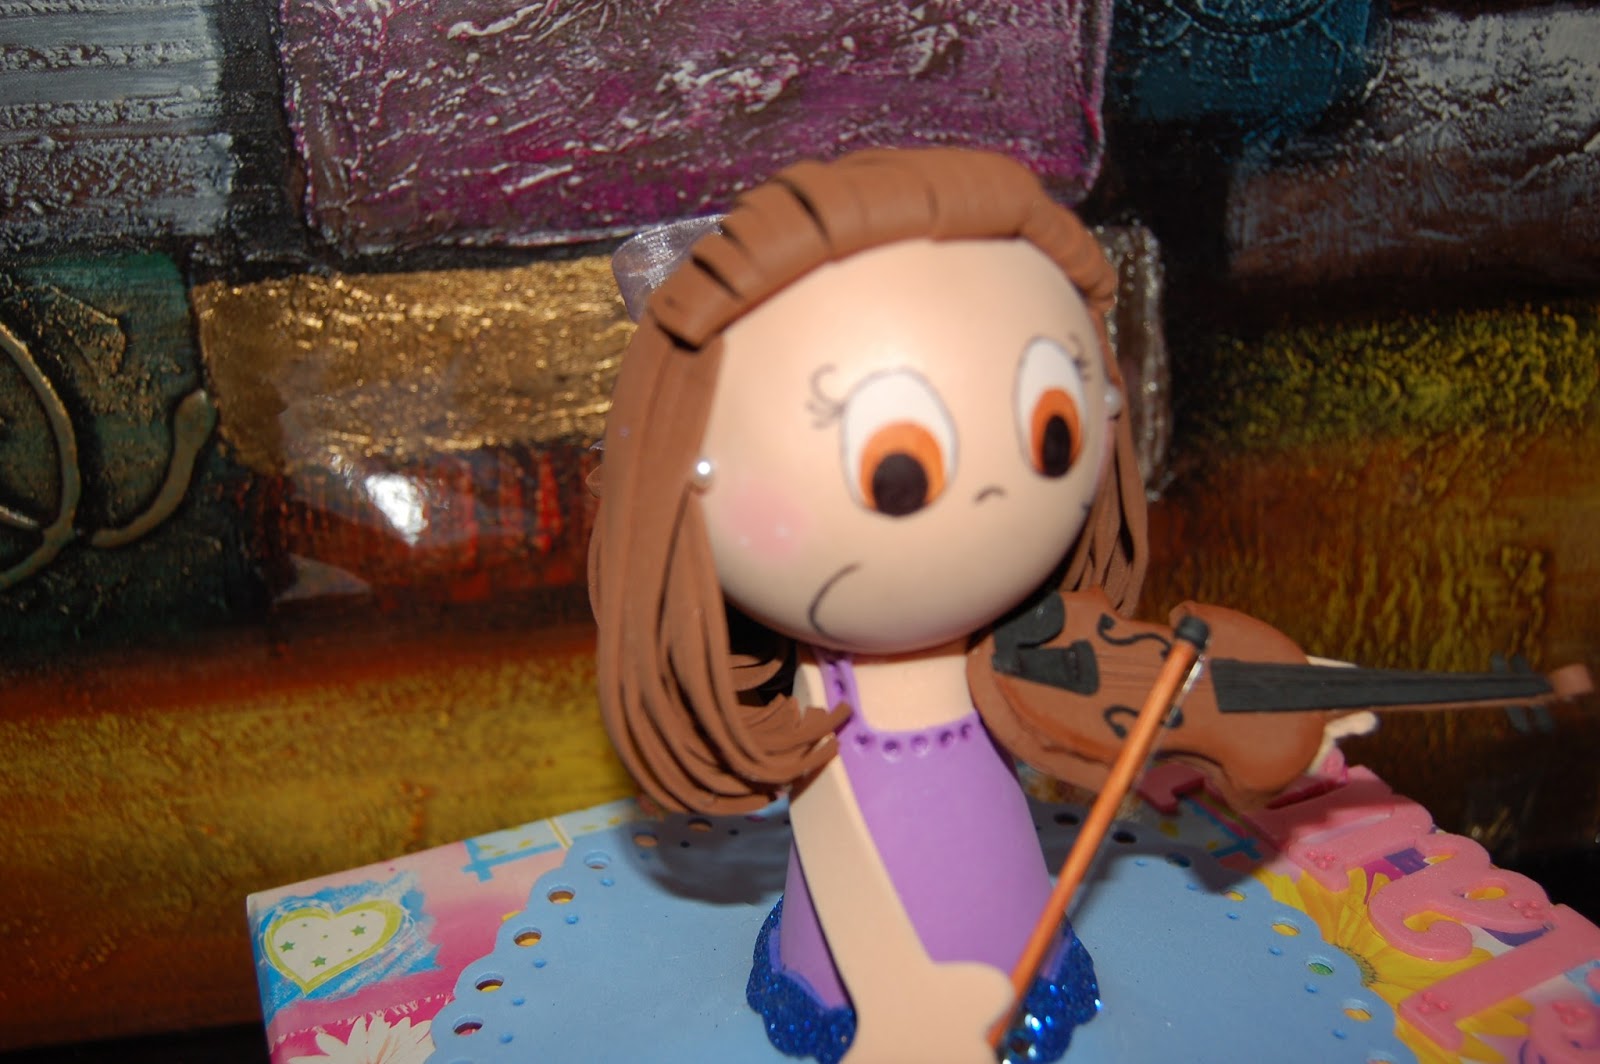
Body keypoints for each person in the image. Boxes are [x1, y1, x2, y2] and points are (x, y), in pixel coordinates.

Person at [590, 148, 1147, 1063]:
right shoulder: (822, 694)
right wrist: (897, 1005)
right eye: (898, 474)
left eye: (1055, 435)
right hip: (853, 959)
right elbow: (840, 845)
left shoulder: (1024, 643)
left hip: (1008, 895)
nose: (991, 503)